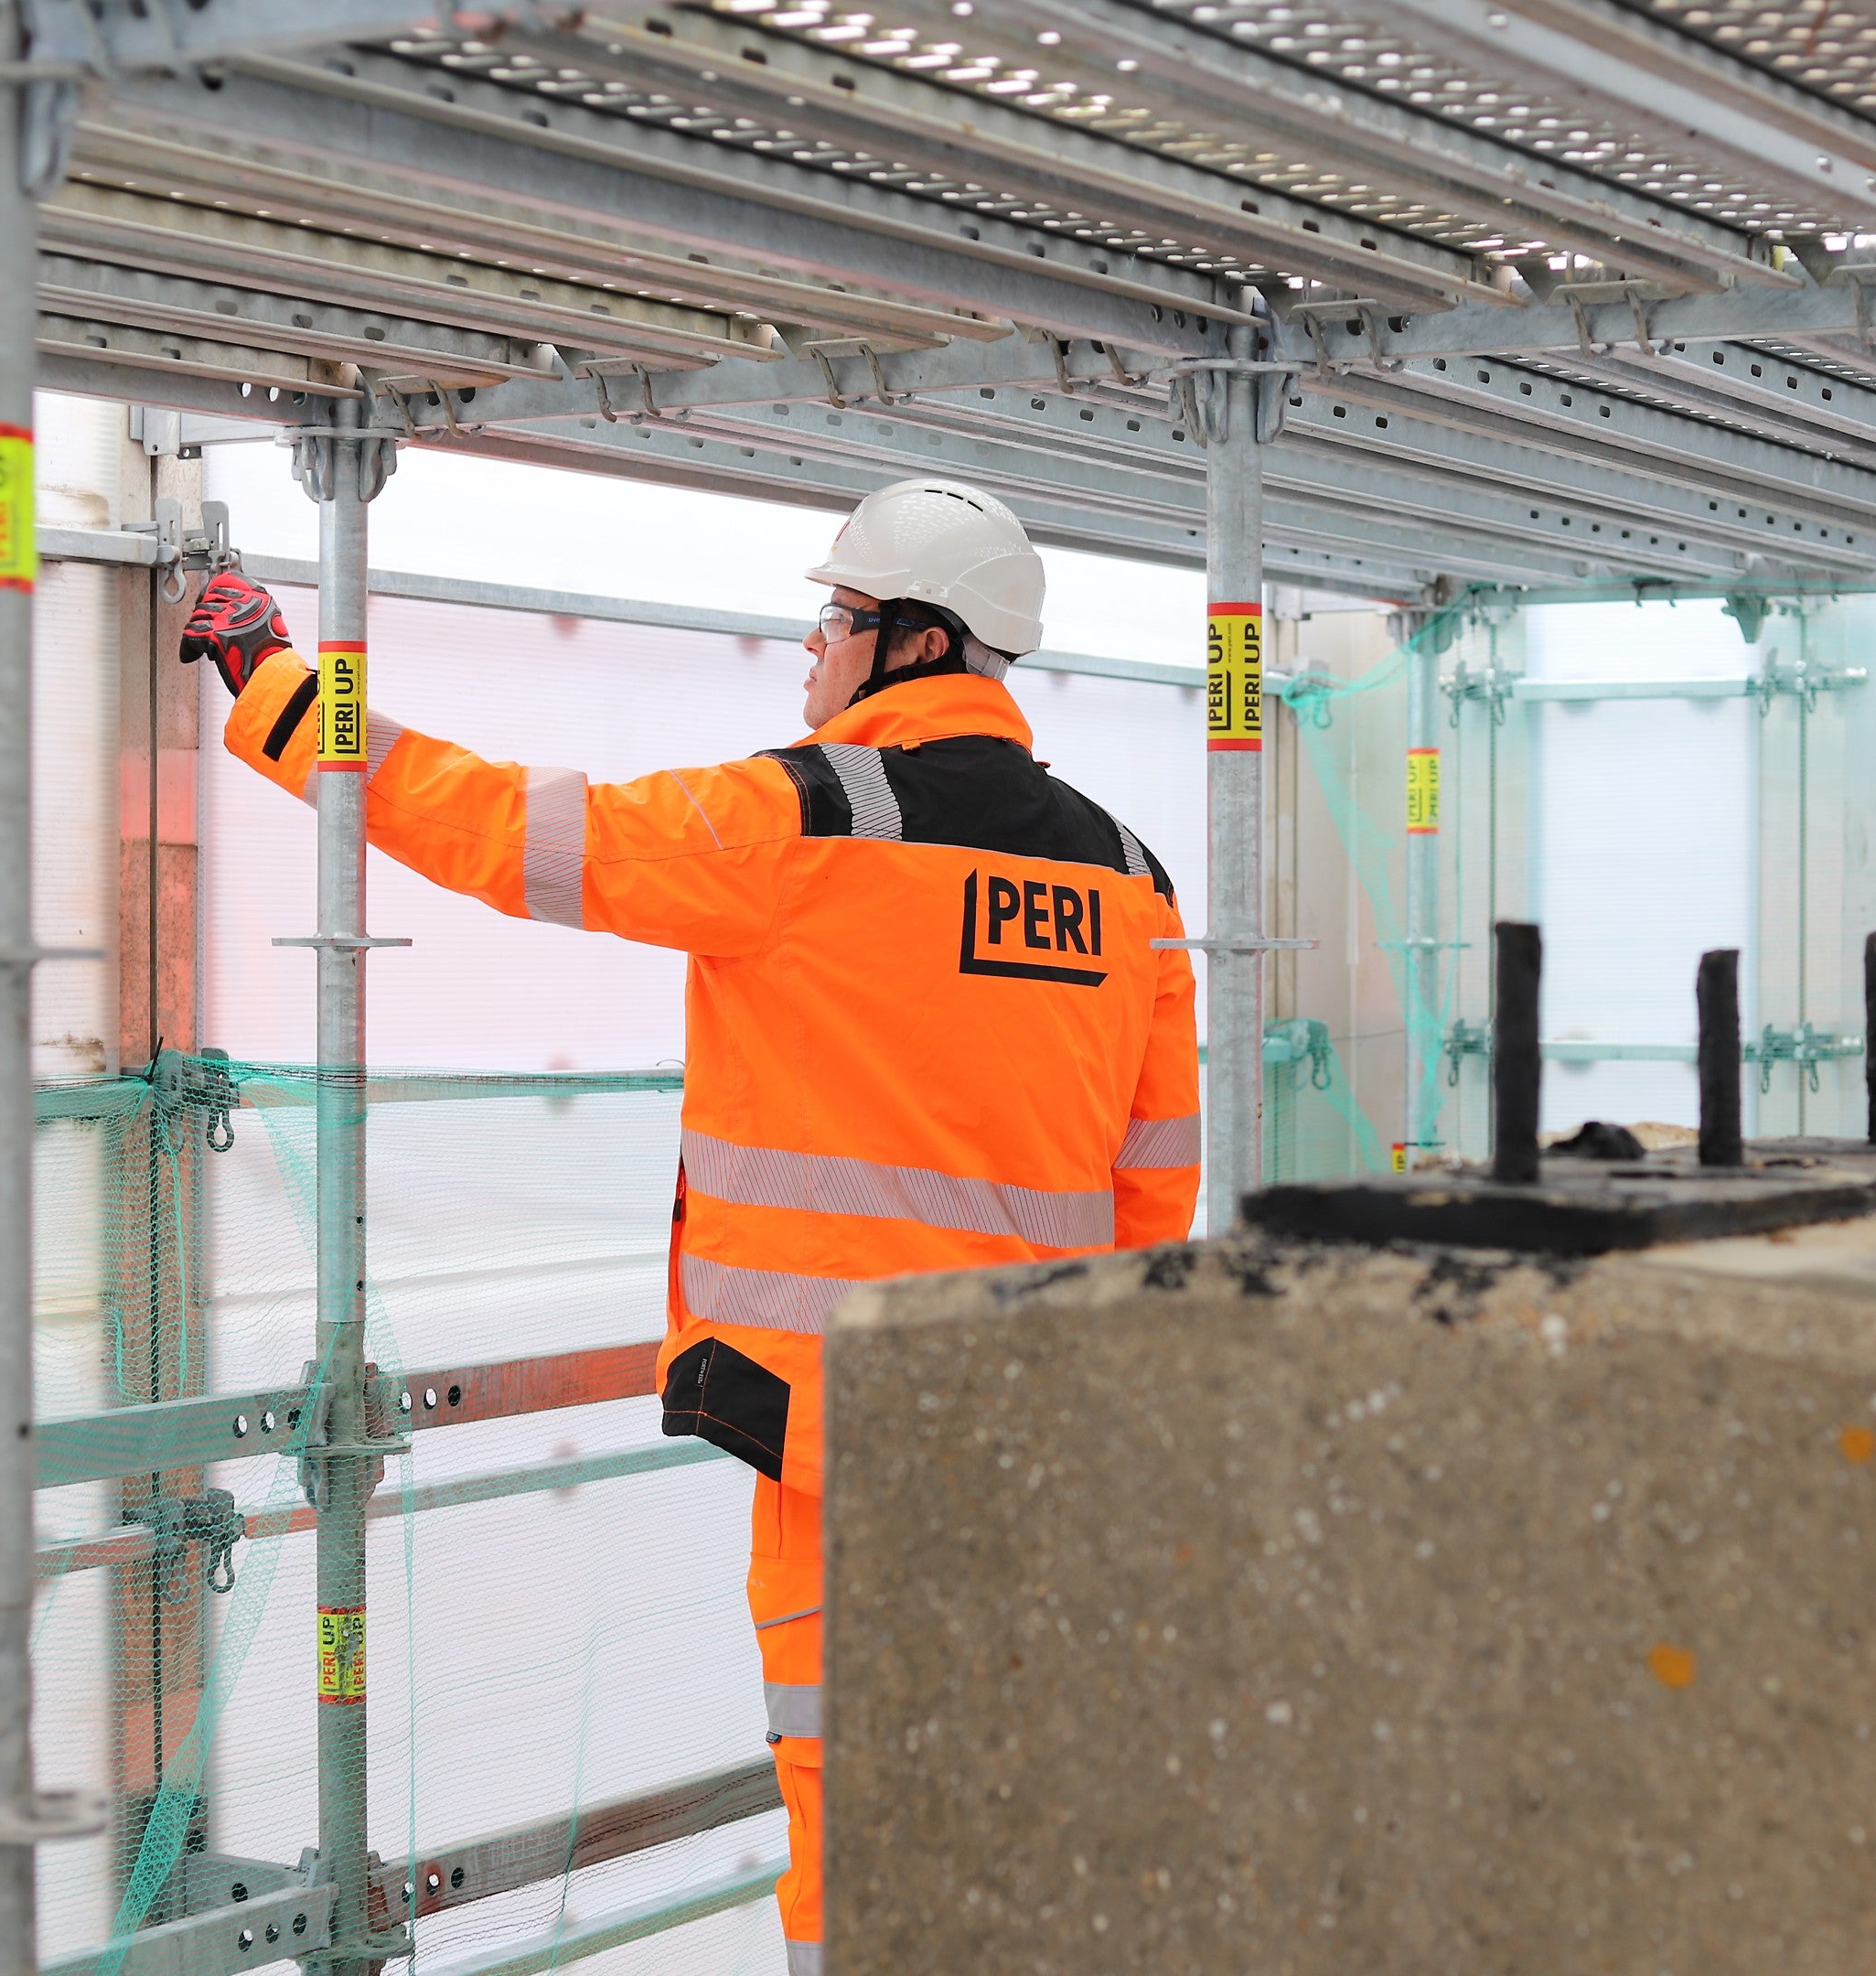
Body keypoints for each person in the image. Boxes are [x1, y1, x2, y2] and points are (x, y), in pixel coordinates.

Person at [181, 478, 1203, 1974]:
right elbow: (1154, 1192)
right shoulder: (1131, 884)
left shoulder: (794, 820)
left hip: (844, 1438)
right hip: (1036, 1446)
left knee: (856, 1824)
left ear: (912, 642)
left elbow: (489, 825)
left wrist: (277, 689)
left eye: (834, 620)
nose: (811, 649)